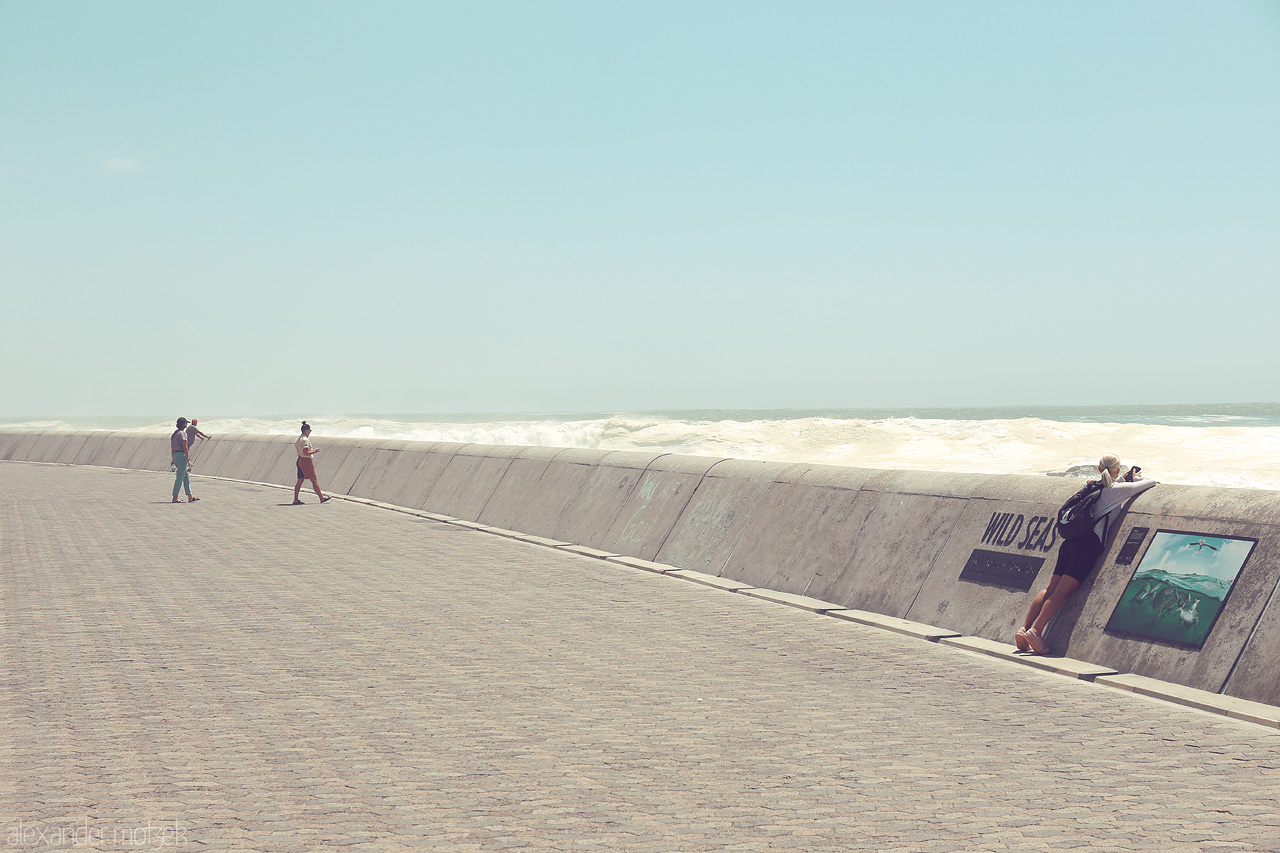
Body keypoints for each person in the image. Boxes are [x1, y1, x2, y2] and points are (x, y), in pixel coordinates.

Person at [1016, 454, 1156, 655]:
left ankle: (1024, 629)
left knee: (1050, 589)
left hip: (1070, 542)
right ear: (1116, 470)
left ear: (1100, 469)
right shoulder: (1115, 490)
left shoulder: (1089, 485)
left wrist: (1122, 478)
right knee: (1061, 592)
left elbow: (1107, 487)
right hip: (1087, 545)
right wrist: (1138, 477)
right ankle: (1036, 631)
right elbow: (1150, 483)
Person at [293, 421, 331, 505]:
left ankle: (296, 499)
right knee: (314, 479)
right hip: (306, 461)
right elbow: (306, 452)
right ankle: (321, 498)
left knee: (300, 481)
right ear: (306, 430)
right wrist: (314, 451)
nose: (310, 432)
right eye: (310, 431)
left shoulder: (299, 439)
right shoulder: (305, 440)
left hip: (300, 460)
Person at [170, 417, 199, 503]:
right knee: (179, 478)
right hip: (182, 456)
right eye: (186, 423)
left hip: (176, 455)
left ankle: (190, 496)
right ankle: (175, 498)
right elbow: (185, 447)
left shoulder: (174, 434)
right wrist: (188, 459)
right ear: (184, 424)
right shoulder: (183, 434)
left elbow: (172, 447)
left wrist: (173, 459)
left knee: (186, 477)